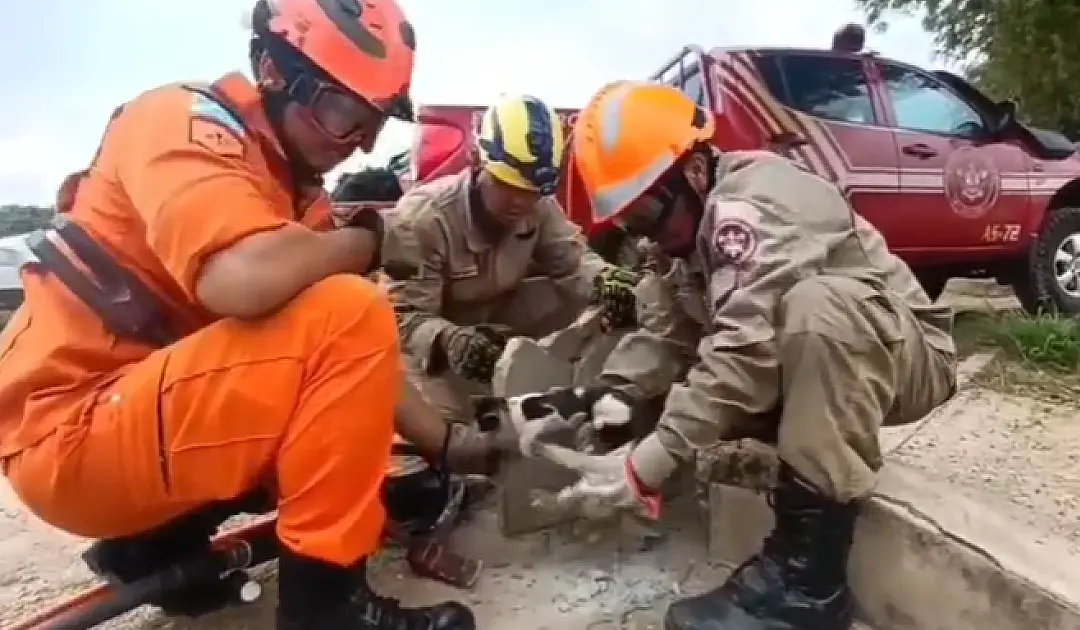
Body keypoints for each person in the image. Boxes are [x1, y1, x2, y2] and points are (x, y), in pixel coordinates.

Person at [0, 1, 478, 628]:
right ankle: (326, 612)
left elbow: (359, 370)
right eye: (344, 113)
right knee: (347, 309)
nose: (361, 141)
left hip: (127, 429)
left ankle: (156, 544)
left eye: (374, 122)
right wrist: (370, 240)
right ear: (272, 72)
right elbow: (240, 281)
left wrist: (451, 444)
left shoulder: (289, 193)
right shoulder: (178, 122)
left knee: (340, 388)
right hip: (74, 434)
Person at [553, 81, 958, 630]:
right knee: (703, 378)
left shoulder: (757, 198)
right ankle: (793, 506)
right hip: (826, 363)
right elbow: (667, 340)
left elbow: (743, 347)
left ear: (694, 171)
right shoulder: (681, 241)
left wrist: (645, 466)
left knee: (817, 307)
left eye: (648, 211)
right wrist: (608, 398)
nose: (644, 232)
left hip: (907, 357)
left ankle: (808, 587)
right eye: (629, 222)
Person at [380, 93, 639, 425]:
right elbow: (402, 317)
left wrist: (606, 280)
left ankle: (574, 388)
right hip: (437, 344)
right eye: (507, 184)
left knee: (578, 297)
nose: (520, 202)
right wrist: (449, 341)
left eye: (531, 190)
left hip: (499, 324)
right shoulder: (423, 220)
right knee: (446, 428)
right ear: (476, 162)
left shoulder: (538, 205)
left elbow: (573, 262)